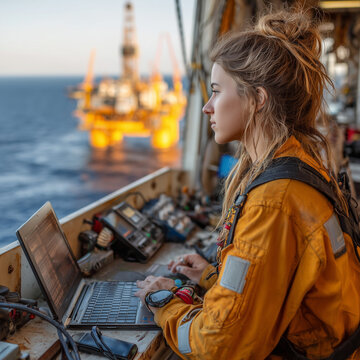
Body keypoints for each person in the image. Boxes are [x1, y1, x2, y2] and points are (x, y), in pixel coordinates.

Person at [135, 9, 360, 359]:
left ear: (257, 99)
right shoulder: (297, 165)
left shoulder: (273, 200)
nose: (207, 107)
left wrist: (164, 301)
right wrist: (211, 278)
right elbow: (271, 287)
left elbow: (218, 346)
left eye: (216, 92)